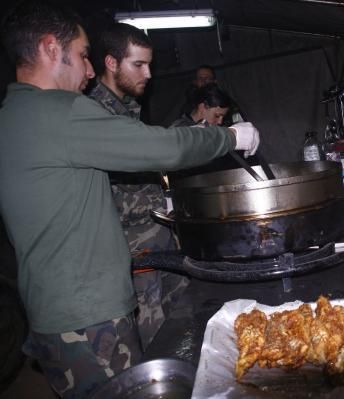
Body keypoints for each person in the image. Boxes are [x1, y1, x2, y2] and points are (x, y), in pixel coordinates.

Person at [0, 2, 259, 398]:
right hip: (89, 317)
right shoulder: (60, 112)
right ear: (52, 48)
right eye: (83, 56)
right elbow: (162, 148)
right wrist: (228, 137)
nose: (89, 72)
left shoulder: (13, 115)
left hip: (54, 311)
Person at [87, 22, 182, 351]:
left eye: (150, 64)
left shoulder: (126, 110)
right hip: (131, 249)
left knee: (178, 324)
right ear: (112, 63)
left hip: (157, 240)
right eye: (138, 65)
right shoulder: (94, 115)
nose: (149, 74)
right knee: (152, 337)